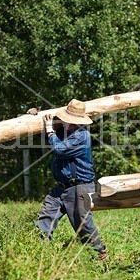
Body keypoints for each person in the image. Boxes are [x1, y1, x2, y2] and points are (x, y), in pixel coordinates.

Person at [33, 99, 108, 261]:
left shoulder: (82, 136)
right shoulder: (65, 133)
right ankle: (37, 252)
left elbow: (59, 149)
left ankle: (99, 253)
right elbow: (47, 135)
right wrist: (35, 116)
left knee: (83, 226)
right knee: (45, 216)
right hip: (61, 188)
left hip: (79, 187)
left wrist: (50, 132)